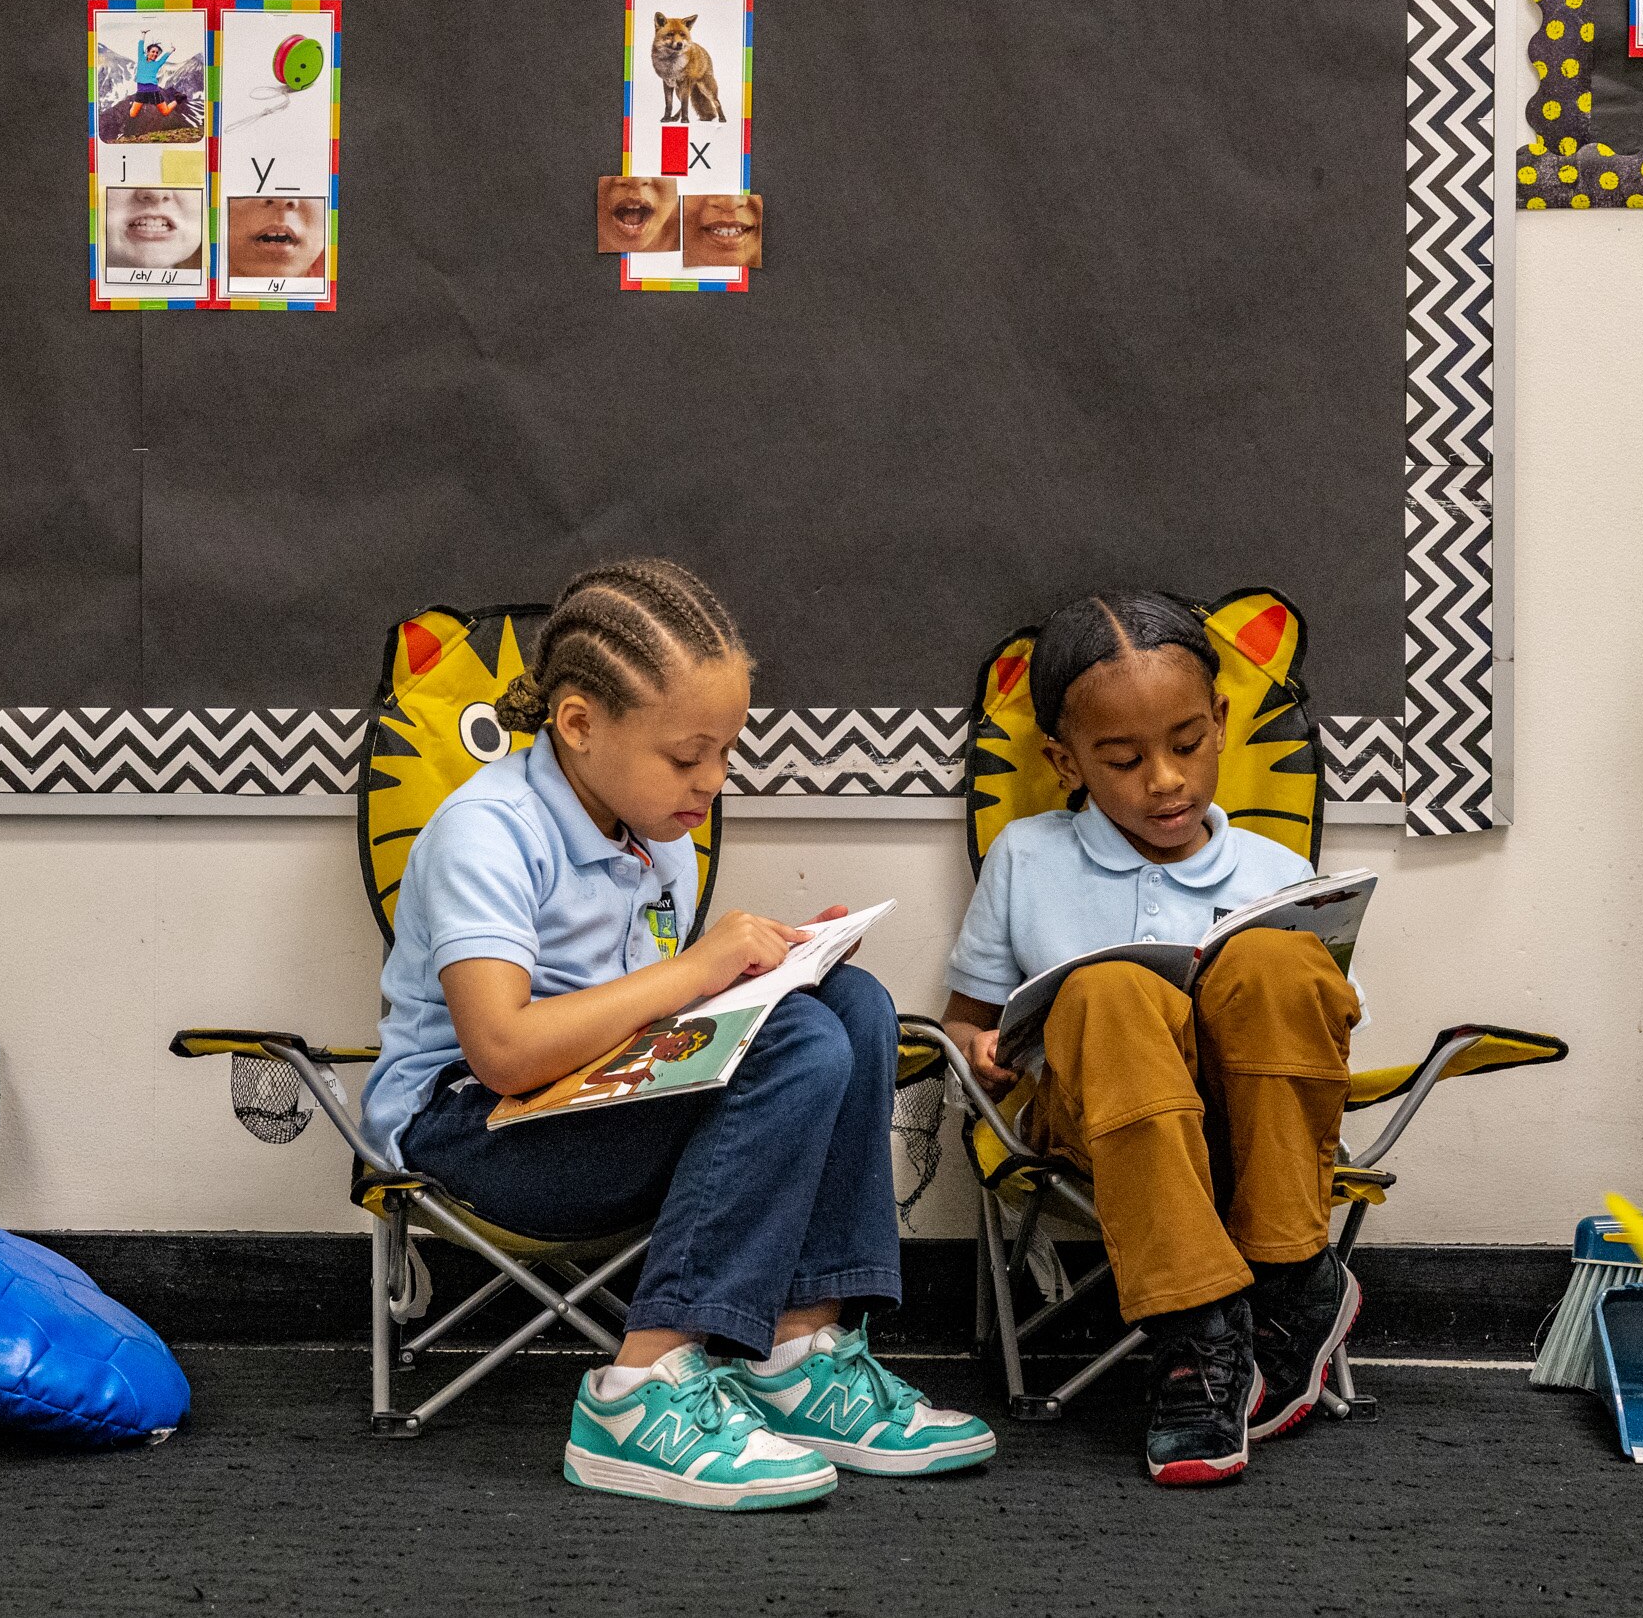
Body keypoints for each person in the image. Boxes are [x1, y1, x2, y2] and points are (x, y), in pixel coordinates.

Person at [367, 559, 996, 1511]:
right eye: (687, 754)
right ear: (579, 724)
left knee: (851, 1007)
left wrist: (772, 966)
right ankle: (639, 1390)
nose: (713, 780)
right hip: (473, 1126)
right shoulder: (485, 833)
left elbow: (642, 1005)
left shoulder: (650, 825)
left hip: (592, 1096)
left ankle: (797, 1355)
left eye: (726, 752)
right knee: (797, 1047)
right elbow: (500, 1050)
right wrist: (698, 972)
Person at [938, 590, 1360, 1488]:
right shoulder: (1027, 856)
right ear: (1066, 761)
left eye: (1186, 745)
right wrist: (976, 1050)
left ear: (1220, 723)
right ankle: (1199, 1334)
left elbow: (1321, 1032)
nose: (1164, 780)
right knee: (1107, 989)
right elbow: (966, 1020)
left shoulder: (1278, 873)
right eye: (1123, 760)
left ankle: (1289, 1277)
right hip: (1100, 1124)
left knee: (1277, 968)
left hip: (1252, 1125)